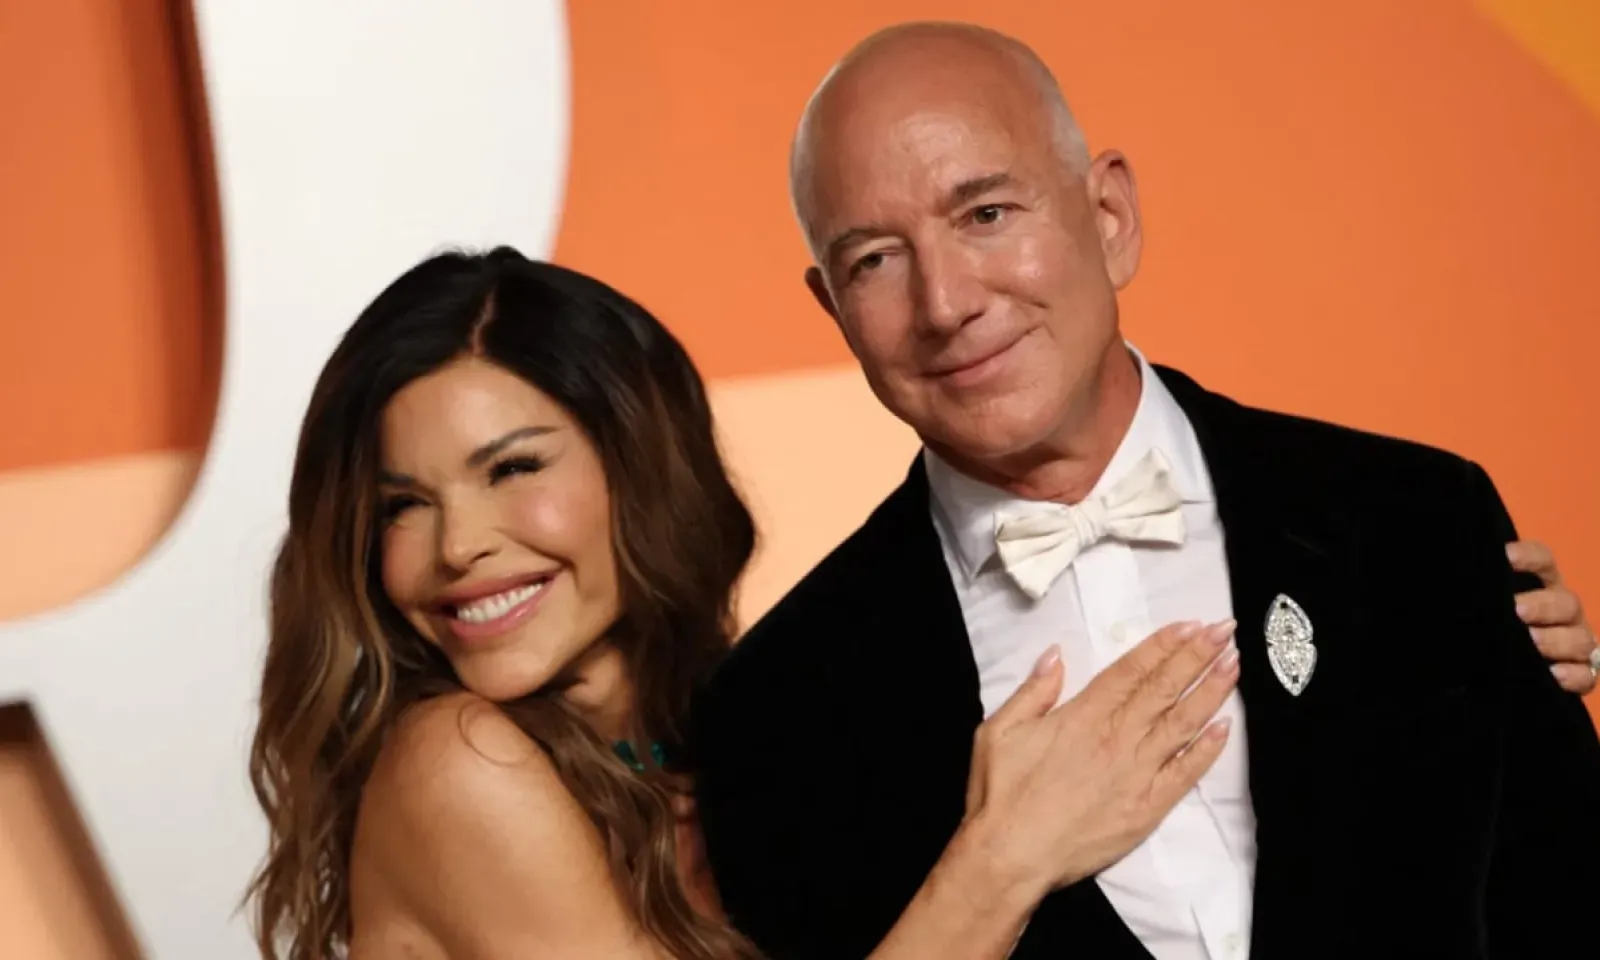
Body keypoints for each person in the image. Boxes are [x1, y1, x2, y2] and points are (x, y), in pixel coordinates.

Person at [691, 21, 1600, 960]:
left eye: (986, 214)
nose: (946, 302)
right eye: (875, 260)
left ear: (1110, 216)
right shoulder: (774, 711)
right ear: (834, 311)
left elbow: (1569, 897)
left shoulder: (1418, 518)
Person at [246, 247, 1250, 959]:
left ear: (639, 465)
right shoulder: (457, 762)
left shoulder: (721, 745)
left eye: (512, 469)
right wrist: (1004, 860)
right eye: (402, 506)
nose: (457, 546)